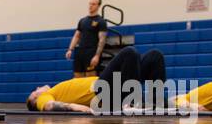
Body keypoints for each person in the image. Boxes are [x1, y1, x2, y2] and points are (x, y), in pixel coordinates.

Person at [26, 47, 166, 113]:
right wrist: (74, 107)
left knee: (155, 56)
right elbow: (49, 106)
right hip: (103, 93)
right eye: (34, 91)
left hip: (112, 86)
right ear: (34, 99)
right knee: (129, 53)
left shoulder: (57, 90)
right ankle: (130, 102)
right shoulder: (43, 98)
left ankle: (156, 101)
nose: (37, 88)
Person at [66, 0, 107, 76]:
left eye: (93, 4)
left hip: (91, 52)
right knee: (77, 78)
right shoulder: (82, 21)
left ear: (98, 6)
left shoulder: (101, 21)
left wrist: (97, 56)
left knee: (90, 79)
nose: (90, 6)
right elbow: (76, 36)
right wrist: (70, 49)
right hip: (80, 52)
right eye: (90, 3)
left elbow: (102, 40)